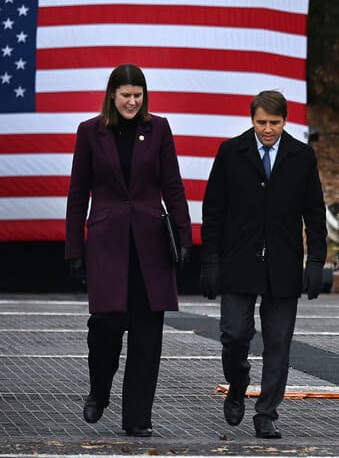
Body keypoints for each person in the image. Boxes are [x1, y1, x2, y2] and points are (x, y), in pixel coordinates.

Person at [64, 63, 192, 437]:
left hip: (151, 247)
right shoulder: (90, 132)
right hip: (107, 246)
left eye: (138, 95)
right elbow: (77, 194)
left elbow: (173, 186)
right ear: (112, 95)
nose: (132, 102)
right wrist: (74, 248)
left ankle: (138, 418)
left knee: (147, 336)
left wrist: (184, 236)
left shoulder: (159, 129)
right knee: (104, 327)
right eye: (126, 95)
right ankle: (99, 389)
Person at [199, 90, 326, 440]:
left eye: (274, 122)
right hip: (239, 262)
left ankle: (267, 413)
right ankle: (238, 383)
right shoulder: (231, 153)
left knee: (278, 343)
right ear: (251, 119)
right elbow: (213, 211)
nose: (268, 129)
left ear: (285, 121)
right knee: (234, 334)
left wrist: (316, 260)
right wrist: (210, 260)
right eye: (261, 122)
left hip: (284, 265)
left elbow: (315, 213)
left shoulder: (302, 156)